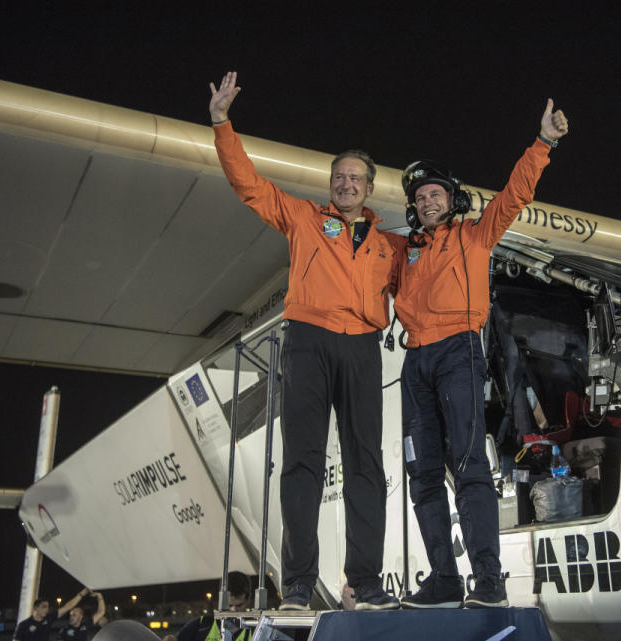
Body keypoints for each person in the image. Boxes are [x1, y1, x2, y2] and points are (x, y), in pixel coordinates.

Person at [208, 71, 401, 611]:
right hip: (308, 344)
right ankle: (296, 583)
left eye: (355, 178)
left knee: (367, 465)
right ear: (331, 182)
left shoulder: (389, 245)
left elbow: (427, 286)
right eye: (338, 176)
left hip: (362, 348)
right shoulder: (303, 220)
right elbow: (249, 185)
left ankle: (364, 582)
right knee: (302, 463)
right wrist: (223, 123)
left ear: (369, 188)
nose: (345, 184)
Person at [394, 100, 569, 609]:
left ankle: (488, 581)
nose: (427, 201)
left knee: (469, 465)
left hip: (458, 353)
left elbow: (515, 194)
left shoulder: (476, 236)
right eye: (420, 196)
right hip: (414, 364)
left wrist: (543, 144)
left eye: (435, 193)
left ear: (452, 198)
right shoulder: (403, 251)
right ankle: (445, 580)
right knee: (422, 474)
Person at [176, 572, 251, 641]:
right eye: (229, 605)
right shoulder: (201, 626)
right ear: (220, 601)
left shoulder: (256, 631)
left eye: (239, 605)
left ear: (248, 601)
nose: (234, 610)